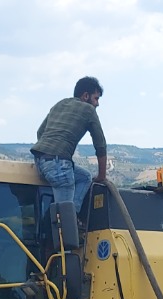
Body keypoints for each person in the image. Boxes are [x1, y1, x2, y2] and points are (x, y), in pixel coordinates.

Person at [31, 76, 107, 215]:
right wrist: (102, 176)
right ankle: (68, 223)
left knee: (84, 178)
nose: (97, 104)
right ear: (85, 96)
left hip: (40, 161)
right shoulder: (88, 110)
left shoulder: (60, 104)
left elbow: (40, 132)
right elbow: (100, 145)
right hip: (59, 162)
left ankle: (74, 216)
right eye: (96, 98)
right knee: (64, 218)